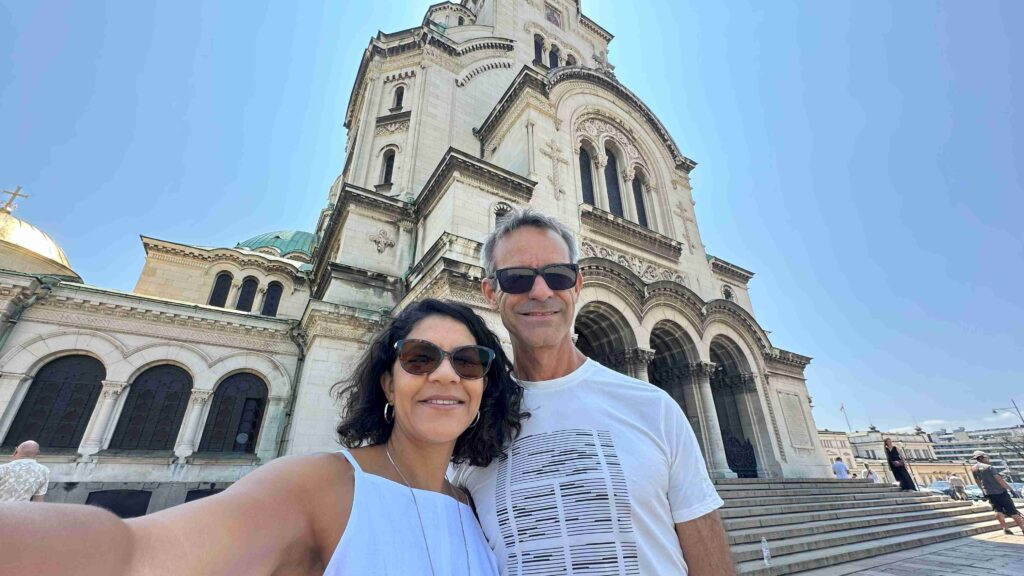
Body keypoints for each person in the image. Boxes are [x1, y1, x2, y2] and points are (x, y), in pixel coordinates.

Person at [0, 298, 527, 575]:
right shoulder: (321, 486)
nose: (445, 375)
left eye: (468, 362)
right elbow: (135, 552)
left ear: (483, 386)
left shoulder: (475, 504)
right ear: (388, 383)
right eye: (419, 358)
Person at [456, 208, 733, 575]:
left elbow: (710, 559)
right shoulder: (471, 425)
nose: (540, 291)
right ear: (491, 292)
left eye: (558, 275)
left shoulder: (654, 407)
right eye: (517, 278)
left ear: (576, 285)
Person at [971, 450, 1024, 536]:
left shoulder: (973, 469)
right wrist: (1011, 489)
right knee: (1013, 511)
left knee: (997, 510)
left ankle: (1005, 528)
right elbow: (999, 479)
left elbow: (977, 481)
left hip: (989, 493)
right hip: (1000, 492)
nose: (988, 458)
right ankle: (1022, 528)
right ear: (981, 458)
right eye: (986, 457)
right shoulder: (989, 467)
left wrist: (983, 490)